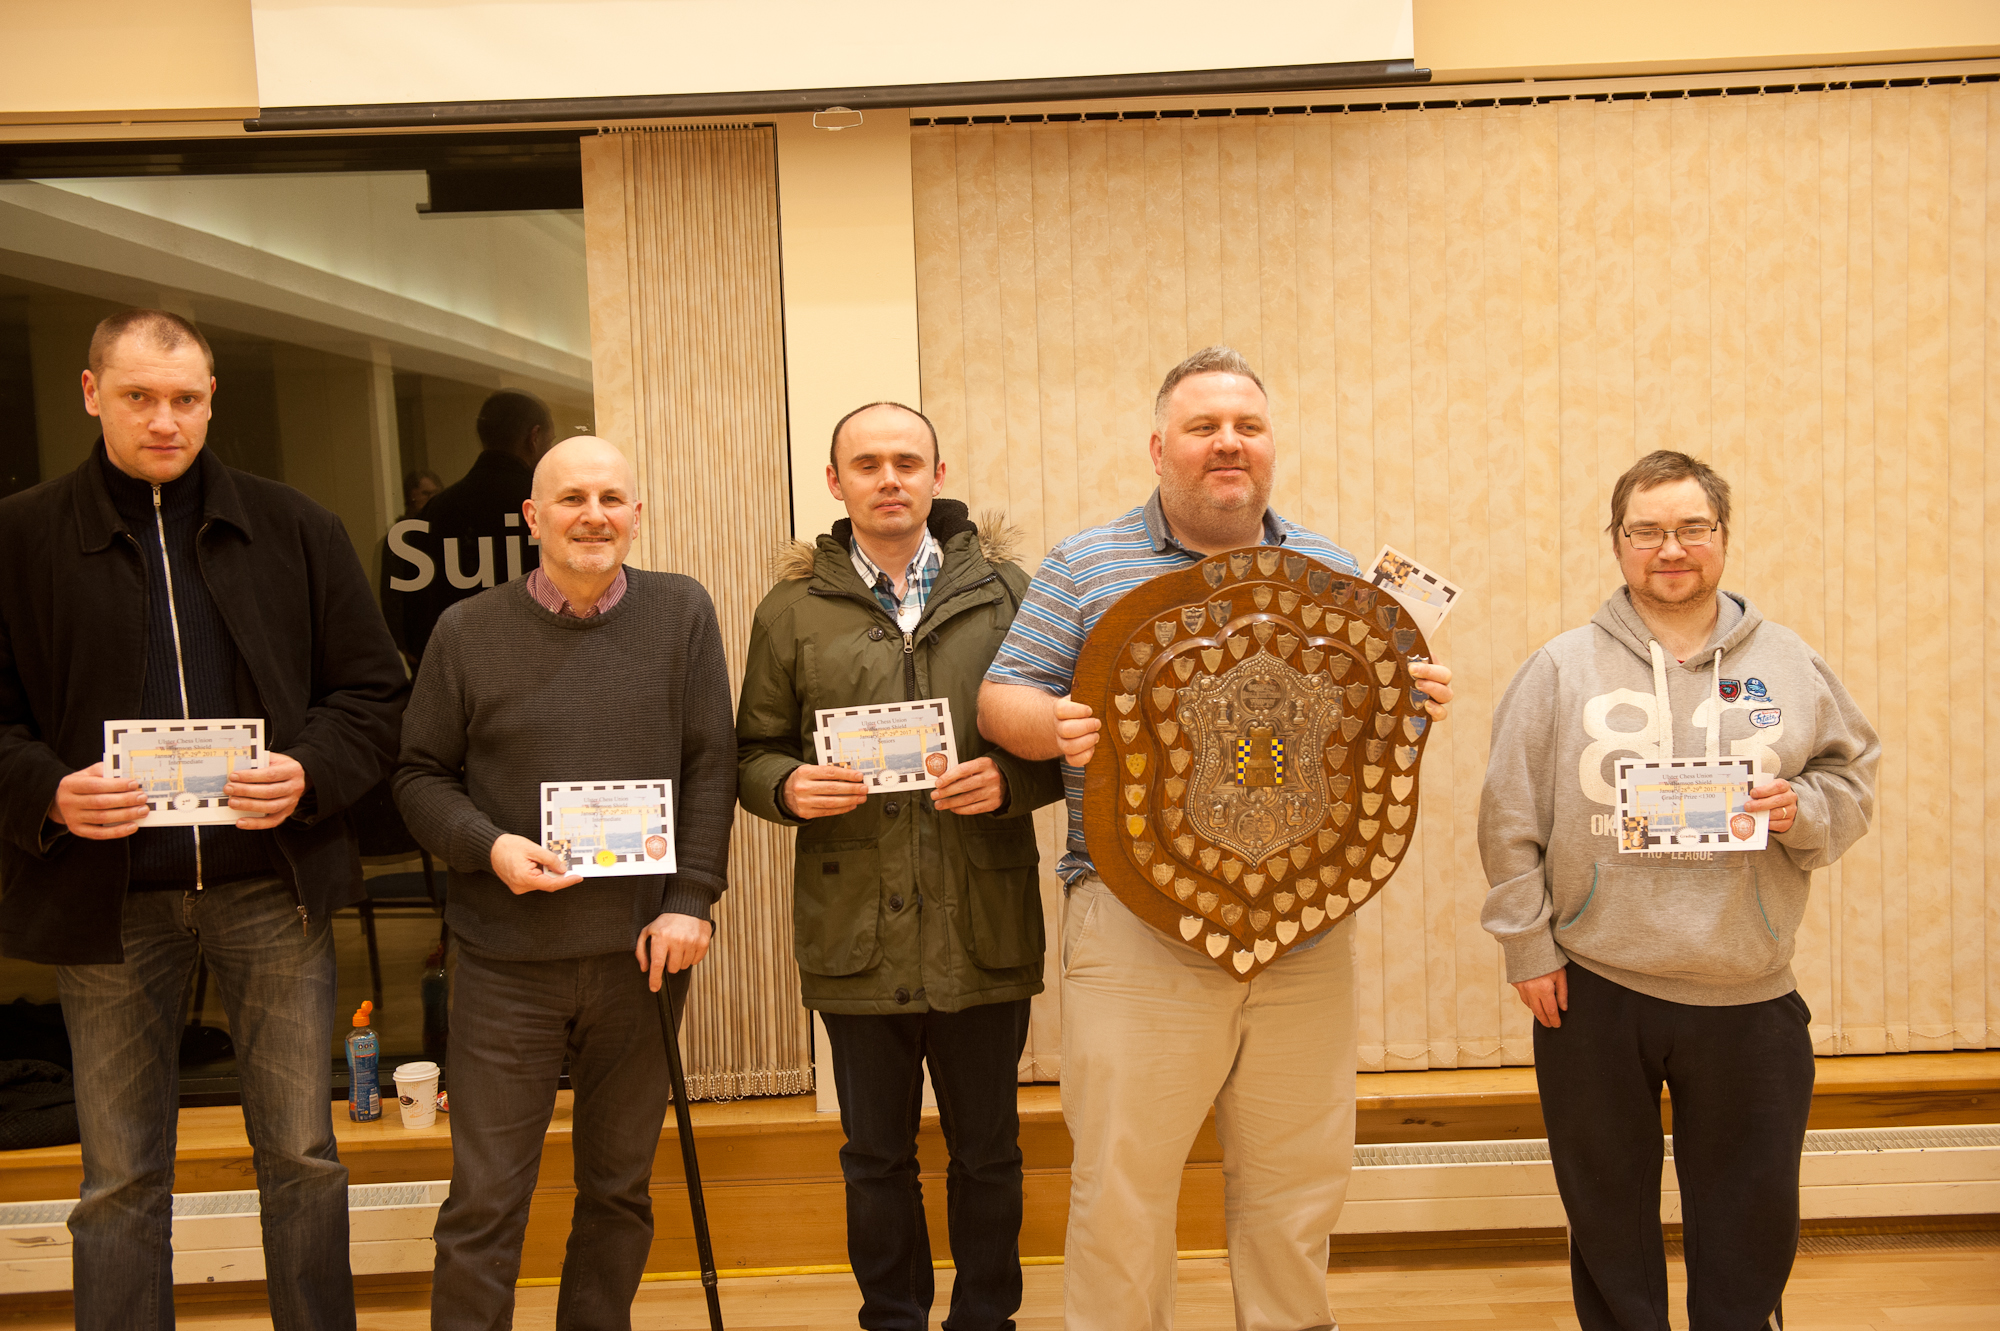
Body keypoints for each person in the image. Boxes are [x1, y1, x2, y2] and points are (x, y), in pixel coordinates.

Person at [977, 346, 1455, 1331]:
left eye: (1247, 427)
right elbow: (1000, 696)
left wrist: (1414, 698)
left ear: (1270, 446)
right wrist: (1053, 722)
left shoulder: (1329, 568)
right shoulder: (1084, 562)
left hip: (1304, 923)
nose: (1227, 444)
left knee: (1297, 1182)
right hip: (1134, 915)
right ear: (1159, 448)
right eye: (1203, 428)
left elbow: (1365, 738)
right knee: (1121, 1185)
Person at [0, 309, 408, 1331]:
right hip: (107, 900)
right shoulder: (19, 537)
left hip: (270, 886)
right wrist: (47, 788)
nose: (164, 420)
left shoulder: (296, 526)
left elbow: (373, 694)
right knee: (119, 1176)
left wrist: (309, 771)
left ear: (211, 399)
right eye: (138, 396)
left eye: (185, 398)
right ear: (91, 394)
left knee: (303, 1156)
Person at [1477, 450, 1878, 1331]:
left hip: (1748, 986)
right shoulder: (1559, 668)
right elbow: (1508, 816)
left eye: (1692, 527)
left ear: (1723, 536)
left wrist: (1799, 808)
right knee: (1607, 1215)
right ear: (1617, 541)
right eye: (1648, 530)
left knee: (1750, 1217)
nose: (1671, 547)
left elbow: (1851, 784)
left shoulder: (1791, 662)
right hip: (1593, 984)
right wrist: (1528, 946)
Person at [394, 434, 736, 1329]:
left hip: (642, 959)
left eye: (612, 498)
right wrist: (489, 846)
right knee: (486, 1202)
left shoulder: (682, 612)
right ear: (532, 516)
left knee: (618, 1190)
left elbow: (711, 763)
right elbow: (418, 777)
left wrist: (691, 898)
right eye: (572, 498)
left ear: (637, 514)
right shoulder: (466, 631)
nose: (594, 515)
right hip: (505, 961)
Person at [736, 402, 1062, 1331]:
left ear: (937, 474)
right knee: (874, 1156)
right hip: (855, 931)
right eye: (868, 463)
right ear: (834, 482)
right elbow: (751, 750)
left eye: (908, 462)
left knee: (988, 1152)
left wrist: (1010, 780)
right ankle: (892, 1317)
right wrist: (788, 785)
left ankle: (986, 1317)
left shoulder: (1007, 593)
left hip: (981, 921)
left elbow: (1063, 741)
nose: (890, 479)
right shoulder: (790, 611)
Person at [400, 389, 554, 660]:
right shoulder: (550, 507)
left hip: (462, 664)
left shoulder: (437, 510)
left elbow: (415, 614)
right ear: (534, 438)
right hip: (543, 661)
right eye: (550, 443)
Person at [380, 467, 443, 662]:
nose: (432, 498)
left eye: (436, 493)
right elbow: (392, 597)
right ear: (412, 496)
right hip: (417, 640)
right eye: (426, 493)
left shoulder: (442, 530)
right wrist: (404, 644)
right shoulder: (402, 538)